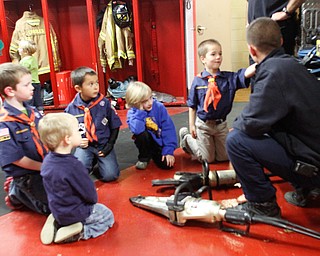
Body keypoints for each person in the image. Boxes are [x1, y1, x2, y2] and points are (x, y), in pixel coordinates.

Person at [226, 17, 320, 217]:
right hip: (314, 152)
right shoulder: (294, 66)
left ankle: (262, 204)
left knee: (236, 140)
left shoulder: (273, 73)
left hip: (314, 168)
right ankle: (308, 190)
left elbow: (250, 124)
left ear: (252, 50)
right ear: (281, 41)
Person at [38, 113, 114, 244]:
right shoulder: (74, 166)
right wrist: (92, 203)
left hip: (57, 209)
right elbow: (89, 194)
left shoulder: (47, 162)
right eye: (78, 131)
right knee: (107, 215)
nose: (81, 133)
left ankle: (56, 221)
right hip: (76, 213)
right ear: (67, 139)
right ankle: (80, 231)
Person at [179, 39, 256, 164]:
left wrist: (260, 63)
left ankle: (210, 146)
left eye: (220, 54)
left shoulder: (228, 78)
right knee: (207, 159)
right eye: (213, 54)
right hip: (204, 125)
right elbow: (192, 105)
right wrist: (191, 125)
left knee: (224, 157)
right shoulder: (198, 81)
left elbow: (245, 74)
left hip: (221, 125)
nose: (218, 57)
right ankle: (186, 139)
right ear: (203, 59)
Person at [0, 62, 49, 214]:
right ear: (10, 91)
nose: (32, 87)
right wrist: (44, 167)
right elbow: (15, 158)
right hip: (27, 173)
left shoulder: (33, 111)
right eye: (27, 85)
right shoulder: (4, 123)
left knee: (73, 190)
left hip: (45, 165)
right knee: (50, 207)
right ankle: (17, 192)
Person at [65, 66, 122, 182]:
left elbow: (115, 125)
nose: (96, 87)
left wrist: (110, 145)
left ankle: (98, 163)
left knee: (110, 176)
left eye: (96, 82)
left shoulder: (104, 103)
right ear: (78, 88)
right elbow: (67, 132)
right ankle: (91, 161)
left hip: (103, 145)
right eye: (90, 84)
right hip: (85, 147)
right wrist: (78, 142)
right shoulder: (71, 109)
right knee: (77, 175)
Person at [126, 81, 177, 170]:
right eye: (145, 101)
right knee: (141, 134)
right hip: (146, 141)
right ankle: (144, 157)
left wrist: (168, 150)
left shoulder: (159, 107)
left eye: (150, 98)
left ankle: (157, 153)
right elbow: (137, 130)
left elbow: (168, 129)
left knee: (167, 165)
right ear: (136, 103)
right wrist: (140, 112)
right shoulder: (133, 113)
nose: (150, 103)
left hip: (159, 141)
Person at [18, 39, 44, 114]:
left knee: (29, 100)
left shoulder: (24, 61)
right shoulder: (33, 59)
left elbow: (22, 72)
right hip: (36, 82)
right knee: (37, 99)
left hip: (29, 84)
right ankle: (40, 111)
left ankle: (30, 113)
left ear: (25, 51)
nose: (18, 50)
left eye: (20, 48)